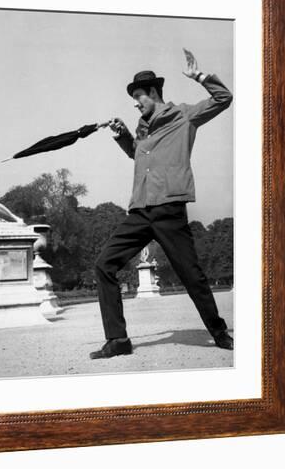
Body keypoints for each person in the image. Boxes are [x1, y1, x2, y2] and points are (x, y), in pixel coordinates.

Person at [90, 49, 234, 359]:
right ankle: (118, 340)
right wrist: (124, 137)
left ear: (154, 93)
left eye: (139, 95)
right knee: (104, 265)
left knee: (191, 276)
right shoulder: (142, 128)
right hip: (140, 211)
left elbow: (224, 99)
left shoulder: (183, 115)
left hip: (170, 210)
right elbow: (138, 156)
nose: (136, 102)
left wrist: (201, 77)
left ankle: (219, 331)